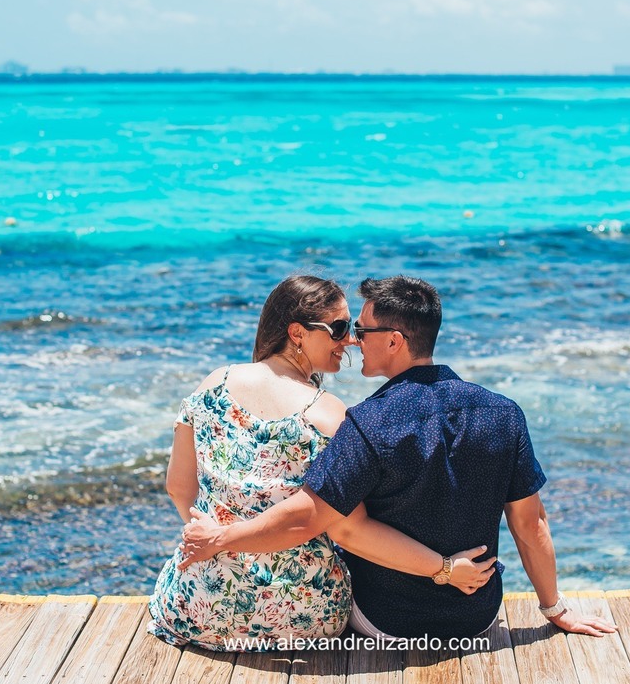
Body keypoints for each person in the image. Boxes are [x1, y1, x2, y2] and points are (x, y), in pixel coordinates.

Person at [180, 275, 618, 640]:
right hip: (476, 617)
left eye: (361, 331)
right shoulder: (504, 414)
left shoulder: (367, 422)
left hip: (383, 621)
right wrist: (555, 608)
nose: (353, 341)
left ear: (393, 341)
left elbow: (327, 522)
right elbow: (530, 523)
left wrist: (220, 538)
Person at [147, 274, 495, 651]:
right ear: (297, 333)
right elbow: (350, 530)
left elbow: (178, 487)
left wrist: (212, 541)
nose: (351, 340)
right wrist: (445, 569)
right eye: (339, 329)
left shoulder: (214, 383)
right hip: (303, 615)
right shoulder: (328, 415)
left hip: (198, 607)